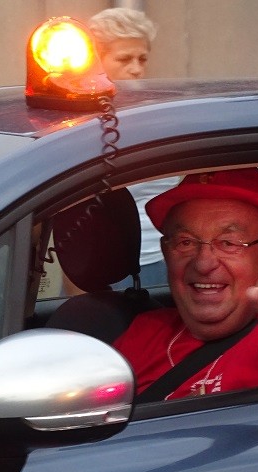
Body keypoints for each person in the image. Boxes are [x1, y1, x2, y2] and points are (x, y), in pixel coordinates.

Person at [113, 168, 258, 400]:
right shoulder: (144, 332)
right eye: (185, 242)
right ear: (165, 251)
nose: (203, 264)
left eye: (228, 243)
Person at [89, 7, 177, 287]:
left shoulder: (159, 115)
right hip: (111, 268)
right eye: (124, 59)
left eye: (142, 59)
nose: (137, 69)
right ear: (95, 62)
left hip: (169, 258)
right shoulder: (84, 125)